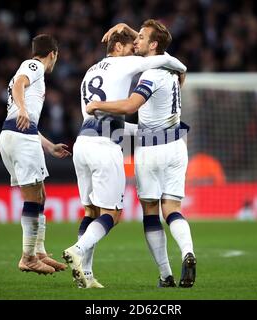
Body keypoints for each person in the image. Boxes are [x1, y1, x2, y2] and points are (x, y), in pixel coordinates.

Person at [62, 28, 187, 289]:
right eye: (130, 45)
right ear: (118, 47)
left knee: (90, 211)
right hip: (105, 146)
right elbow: (167, 60)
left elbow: (109, 120)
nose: (134, 48)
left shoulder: (90, 72)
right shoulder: (127, 62)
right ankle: (77, 248)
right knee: (113, 214)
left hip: (83, 142)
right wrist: (180, 64)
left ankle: (86, 274)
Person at [0, 34, 71, 275]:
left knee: (39, 194)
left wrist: (49, 147)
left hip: (16, 135)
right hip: (20, 139)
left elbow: (24, 121)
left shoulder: (32, 72)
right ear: (53, 54)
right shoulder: (35, 65)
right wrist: (22, 108)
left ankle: (38, 251)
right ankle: (28, 257)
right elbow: (20, 83)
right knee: (33, 197)